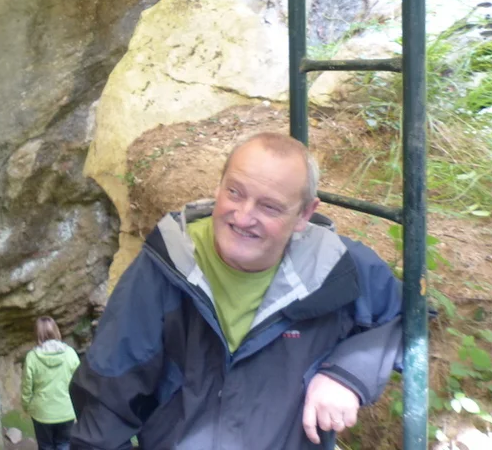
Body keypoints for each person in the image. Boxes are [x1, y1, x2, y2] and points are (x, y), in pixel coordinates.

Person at [69, 132, 402, 450]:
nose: (243, 217)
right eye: (235, 192)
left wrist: (346, 374)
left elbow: (404, 319)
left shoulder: (337, 269)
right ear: (218, 185)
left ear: (304, 214)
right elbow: (107, 397)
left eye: (269, 207)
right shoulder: (168, 264)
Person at [21, 317, 81, 450]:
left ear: (37, 334)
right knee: (64, 444)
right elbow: (79, 383)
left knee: (45, 446)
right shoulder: (70, 354)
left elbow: (27, 387)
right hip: (66, 411)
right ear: (56, 331)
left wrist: (26, 406)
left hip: (42, 413)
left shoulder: (32, 357)